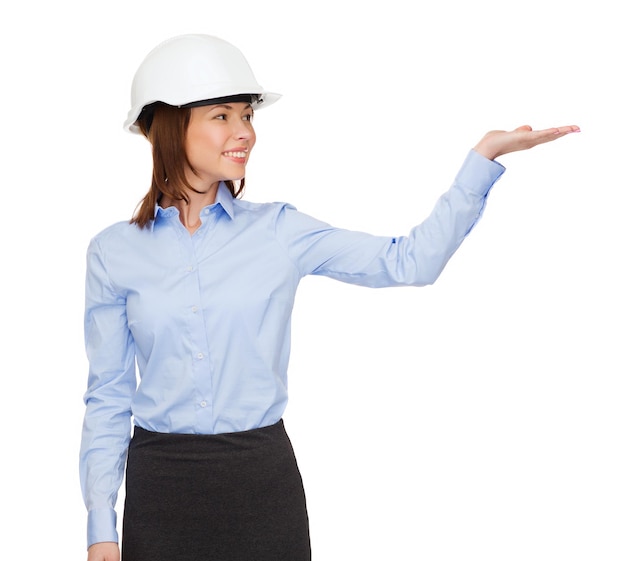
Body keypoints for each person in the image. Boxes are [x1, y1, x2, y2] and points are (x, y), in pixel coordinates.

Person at [79, 33, 579, 561]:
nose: (244, 132)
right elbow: (107, 395)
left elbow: (408, 261)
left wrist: (483, 159)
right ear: (167, 124)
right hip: (161, 492)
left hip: (260, 483)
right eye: (222, 116)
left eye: (247, 116)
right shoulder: (113, 253)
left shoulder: (279, 232)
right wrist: (100, 526)